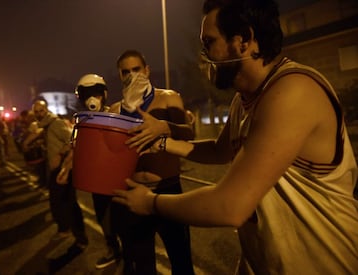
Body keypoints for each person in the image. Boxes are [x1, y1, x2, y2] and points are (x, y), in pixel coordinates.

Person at [112, 0, 358, 274]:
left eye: (209, 42)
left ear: (244, 41)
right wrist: (163, 140)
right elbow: (220, 150)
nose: (203, 53)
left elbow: (230, 205)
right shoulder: (244, 100)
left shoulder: (293, 90)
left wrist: (150, 202)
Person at [108, 49, 195, 275]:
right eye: (125, 71)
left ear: (147, 70)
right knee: (142, 266)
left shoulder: (168, 97)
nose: (131, 75)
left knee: (181, 261)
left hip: (168, 189)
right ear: (119, 75)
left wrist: (164, 128)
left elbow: (189, 134)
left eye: (136, 69)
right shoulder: (116, 110)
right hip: (135, 191)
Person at [57, 73, 122, 269]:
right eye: (86, 95)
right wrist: (66, 168)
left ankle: (132, 256)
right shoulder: (83, 122)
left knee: (125, 220)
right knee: (104, 219)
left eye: (95, 94)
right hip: (98, 183)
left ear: (104, 94)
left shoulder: (118, 115)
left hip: (119, 180)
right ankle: (113, 250)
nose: (91, 99)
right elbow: (78, 148)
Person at [31, 99, 88, 250]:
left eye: (41, 111)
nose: (38, 114)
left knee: (68, 203)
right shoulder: (45, 126)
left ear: (46, 110)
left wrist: (61, 154)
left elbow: (73, 139)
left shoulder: (55, 123)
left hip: (64, 168)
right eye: (36, 112)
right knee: (59, 202)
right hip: (55, 170)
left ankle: (79, 238)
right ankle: (66, 230)